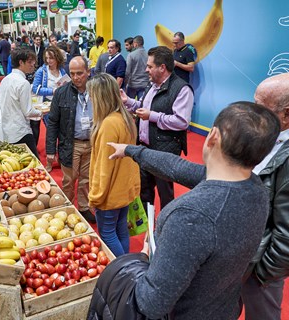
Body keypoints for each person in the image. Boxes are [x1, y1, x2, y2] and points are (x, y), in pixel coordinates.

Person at [88, 101, 281, 319]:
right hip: (223, 307)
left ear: (213, 136)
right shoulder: (256, 189)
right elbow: (178, 167)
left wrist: (143, 259)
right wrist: (131, 150)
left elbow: (151, 303)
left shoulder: (191, 216)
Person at [121, 46, 194, 210]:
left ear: (162, 67)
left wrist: (152, 116)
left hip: (165, 151)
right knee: (145, 191)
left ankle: (165, 230)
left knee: (165, 194)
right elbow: (144, 107)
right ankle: (149, 230)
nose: (146, 70)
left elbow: (181, 122)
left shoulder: (182, 89)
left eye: (149, 66)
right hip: (145, 149)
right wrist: (128, 102)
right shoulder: (152, 85)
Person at [241, 73, 289, 320]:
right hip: (244, 258)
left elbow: (287, 235)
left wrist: (262, 274)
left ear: (287, 114)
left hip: (261, 271)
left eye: (261, 107)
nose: (252, 112)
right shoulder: (267, 135)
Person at [87, 73, 140, 256]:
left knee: (108, 234)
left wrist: (95, 197)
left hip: (110, 194)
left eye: (92, 95)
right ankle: (127, 267)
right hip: (123, 190)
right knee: (120, 230)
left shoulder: (108, 124)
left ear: (100, 97)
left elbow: (104, 168)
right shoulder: (124, 118)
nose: (90, 100)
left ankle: (122, 270)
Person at [46, 56, 96, 223]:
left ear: (88, 72)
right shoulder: (61, 93)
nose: (75, 77)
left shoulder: (97, 91)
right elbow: (52, 122)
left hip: (91, 143)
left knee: (86, 180)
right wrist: (50, 149)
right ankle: (67, 208)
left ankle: (83, 208)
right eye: (72, 74)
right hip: (70, 144)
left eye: (80, 73)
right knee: (69, 180)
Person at [0, 47, 41, 158]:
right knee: (34, 165)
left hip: (7, 130)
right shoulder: (23, 83)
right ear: (21, 62)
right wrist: (41, 112)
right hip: (21, 131)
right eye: (30, 62)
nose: (33, 65)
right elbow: (28, 112)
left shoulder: (5, 80)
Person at [32, 46, 67, 150]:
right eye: (47, 58)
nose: (48, 60)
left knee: (62, 129)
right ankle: (51, 154)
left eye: (51, 58)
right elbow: (35, 89)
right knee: (51, 130)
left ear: (57, 57)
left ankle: (60, 151)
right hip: (47, 104)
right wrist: (52, 91)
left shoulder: (62, 70)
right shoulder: (41, 71)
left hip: (61, 103)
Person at [125, 35, 148, 100]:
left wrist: (125, 84)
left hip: (133, 85)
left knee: (128, 106)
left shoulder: (131, 55)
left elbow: (127, 72)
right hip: (145, 84)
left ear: (135, 44)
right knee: (142, 106)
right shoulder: (148, 55)